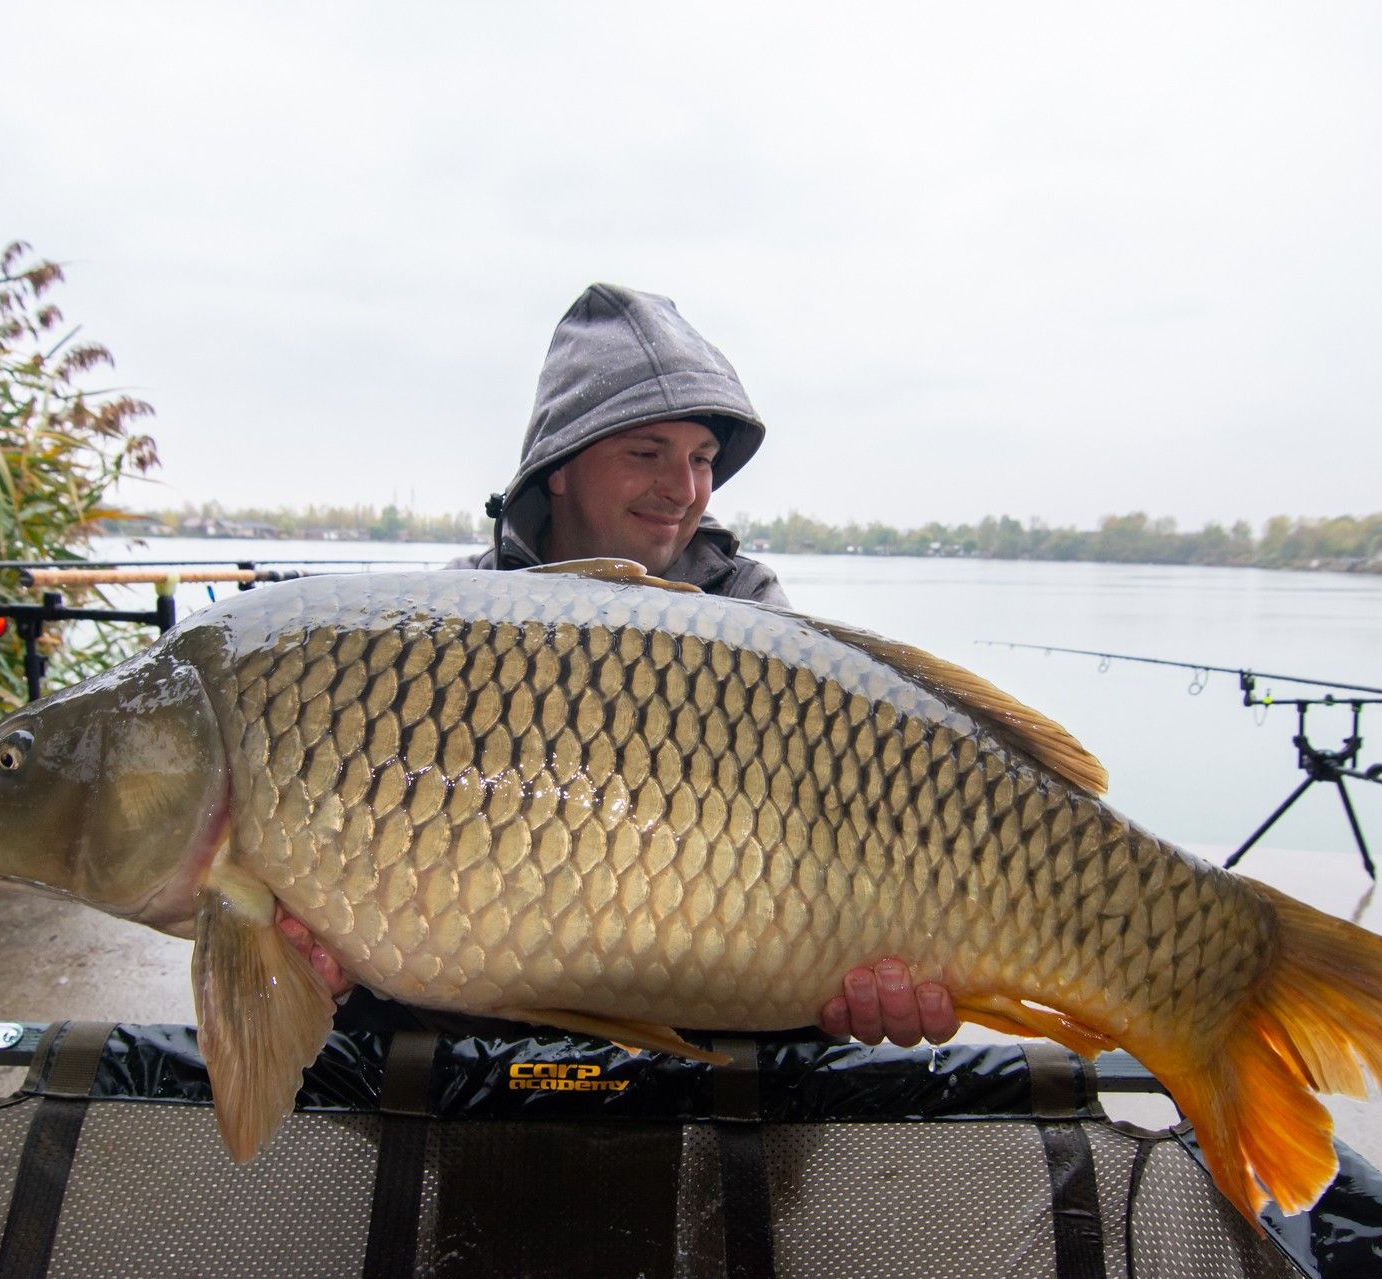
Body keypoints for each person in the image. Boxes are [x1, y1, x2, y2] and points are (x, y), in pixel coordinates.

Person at [280, 283, 956, 1048]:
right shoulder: (450, 624)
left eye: (702, 459)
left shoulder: (753, 613)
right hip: (487, 1057)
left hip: (713, 1060)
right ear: (559, 469)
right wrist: (327, 945)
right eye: (646, 454)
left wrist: (879, 984)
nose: (686, 488)